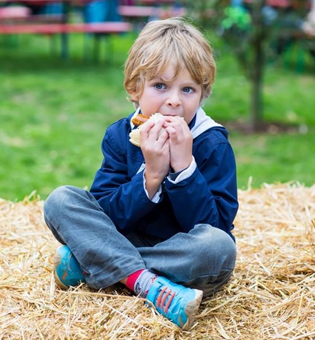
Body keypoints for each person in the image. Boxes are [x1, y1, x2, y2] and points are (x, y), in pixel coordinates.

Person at [43, 17, 239, 330]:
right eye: (160, 86)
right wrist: (150, 177)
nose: (174, 100)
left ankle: (95, 266)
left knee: (219, 249)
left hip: (181, 250)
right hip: (124, 235)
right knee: (61, 200)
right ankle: (147, 284)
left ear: (203, 94)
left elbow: (214, 226)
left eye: (187, 89)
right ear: (135, 89)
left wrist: (185, 169)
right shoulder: (121, 136)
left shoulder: (211, 143)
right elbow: (106, 213)